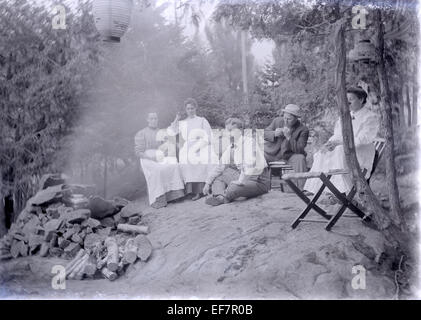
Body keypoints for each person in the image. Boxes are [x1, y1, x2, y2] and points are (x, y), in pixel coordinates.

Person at [303, 86, 380, 196]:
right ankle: (317, 187)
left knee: (339, 151)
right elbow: (337, 135)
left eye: (351, 99)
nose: (347, 102)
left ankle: (341, 191)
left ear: (361, 99)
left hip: (360, 152)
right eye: (346, 99)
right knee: (322, 153)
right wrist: (330, 143)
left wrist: (340, 143)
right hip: (344, 149)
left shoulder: (370, 117)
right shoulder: (345, 116)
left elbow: (364, 139)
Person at [203, 118, 270, 206]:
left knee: (234, 187)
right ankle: (219, 196)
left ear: (240, 130)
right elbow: (220, 166)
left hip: (258, 181)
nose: (229, 134)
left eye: (231, 131)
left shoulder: (249, 142)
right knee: (220, 176)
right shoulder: (231, 146)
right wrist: (207, 183)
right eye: (227, 131)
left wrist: (241, 181)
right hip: (243, 177)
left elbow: (250, 164)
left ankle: (223, 197)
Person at [168, 98, 217, 201]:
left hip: (202, 144)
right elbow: (172, 131)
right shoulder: (183, 122)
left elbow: (208, 136)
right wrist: (177, 118)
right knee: (186, 159)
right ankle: (191, 191)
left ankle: (202, 190)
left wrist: (199, 147)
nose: (190, 110)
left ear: (195, 108)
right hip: (188, 146)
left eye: (192, 108)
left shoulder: (202, 120)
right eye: (188, 108)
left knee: (204, 158)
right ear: (185, 110)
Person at [134, 112, 185, 209]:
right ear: (147, 120)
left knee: (174, 165)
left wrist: (165, 152)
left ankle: (175, 195)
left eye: (155, 118)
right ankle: (159, 199)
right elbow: (138, 152)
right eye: (151, 118)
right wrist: (152, 158)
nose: (154, 120)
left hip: (159, 155)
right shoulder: (141, 133)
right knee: (158, 170)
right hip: (147, 158)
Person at [264, 104, 309, 190]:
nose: (286, 120)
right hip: (272, 154)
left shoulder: (303, 129)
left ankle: (301, 189)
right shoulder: (277, 121)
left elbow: (300, 149)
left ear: (296, 118)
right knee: (257, 155)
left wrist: (289, 137)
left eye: (289, 119)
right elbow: (265, 133)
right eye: (285, 117)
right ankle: (259, 186)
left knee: (300, 158)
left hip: (288, 156)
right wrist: (274, 133)